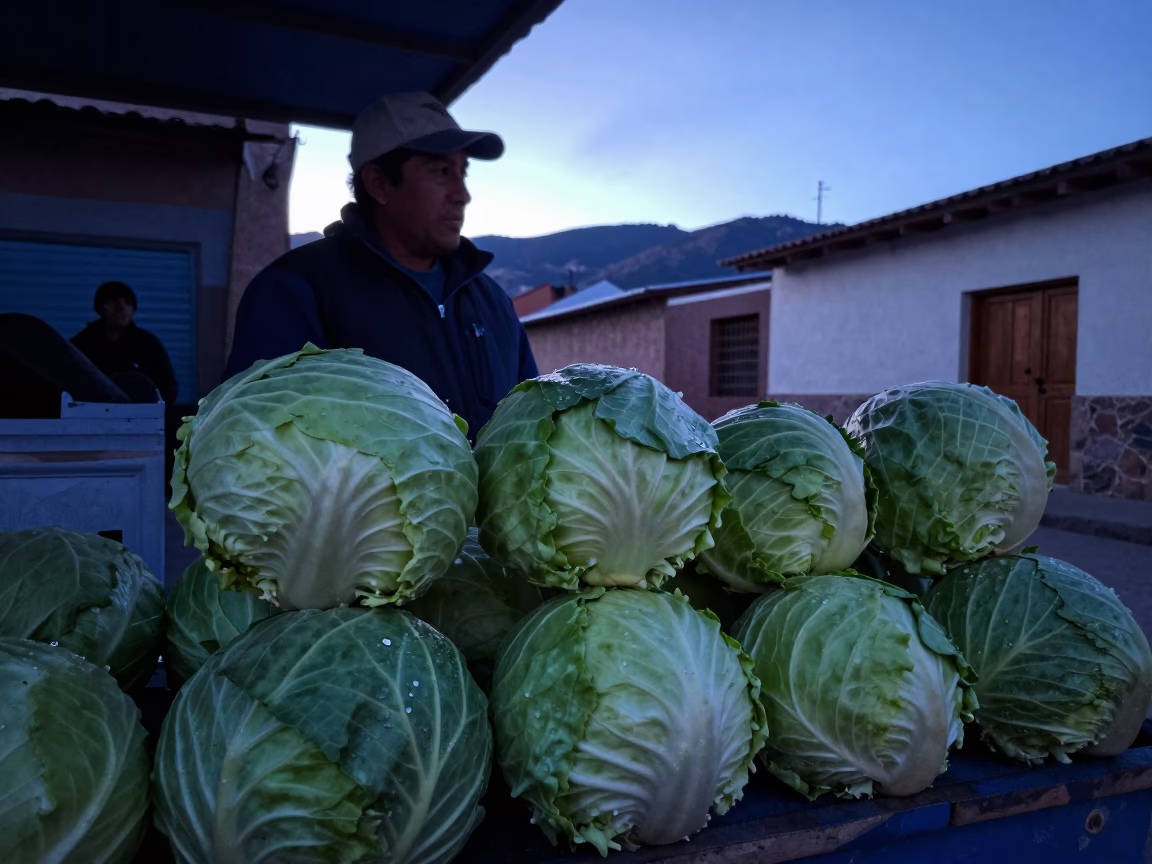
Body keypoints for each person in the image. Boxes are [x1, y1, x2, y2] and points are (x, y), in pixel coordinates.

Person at [224, 91, 538, 439]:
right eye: (441, 171)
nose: (462, 193)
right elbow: (259, 443)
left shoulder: (492, 301)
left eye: (462, 173)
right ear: (379, 184)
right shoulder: (296, 290)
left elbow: (531, 422)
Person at [71, 281, 179, 404]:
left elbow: (167, 387)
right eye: (112, 302)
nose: (122, 308)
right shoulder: (83, 343)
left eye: (127, 303)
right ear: (99, 307)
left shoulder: (147, 344)